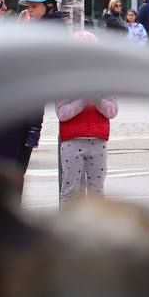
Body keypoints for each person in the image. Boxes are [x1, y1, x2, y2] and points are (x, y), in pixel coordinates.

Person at [0, 0, 65, 181]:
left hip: (20, 110)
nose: (30, 11)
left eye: (34, 7)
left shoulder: (46, 31)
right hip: (28, 112)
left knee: (6, 178)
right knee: (15, 177)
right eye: (28, 7)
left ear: (51, 5)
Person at [55, 31, 118, 207]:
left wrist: (97, 99)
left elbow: (112, 111)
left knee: (97, 192)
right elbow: (61, 113)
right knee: (70, 191)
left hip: (98, 140)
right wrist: (82, 101)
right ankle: (66, 229)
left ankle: (95, 231)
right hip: (72, 141)